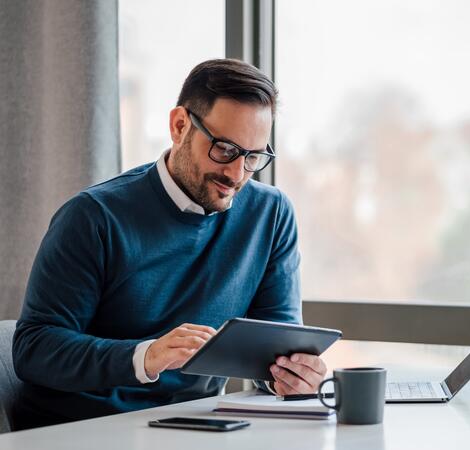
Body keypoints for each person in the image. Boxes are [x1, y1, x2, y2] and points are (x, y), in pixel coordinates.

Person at [12, 59, 326, 430]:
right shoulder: (93, 217)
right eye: (224, 149)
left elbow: (275, 348)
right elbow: (34, 350)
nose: (236, 174)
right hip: (81, 428)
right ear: (179, 126)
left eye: (252, 157)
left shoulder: (270, 215)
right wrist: (146, 356)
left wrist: (291, 375)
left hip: (195, 425)